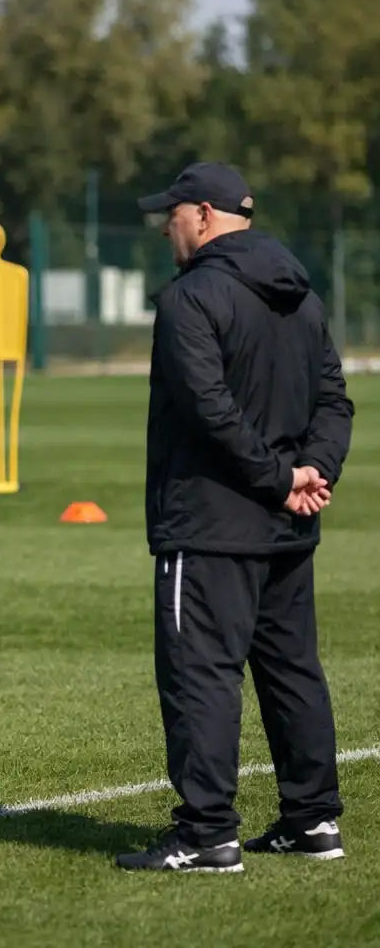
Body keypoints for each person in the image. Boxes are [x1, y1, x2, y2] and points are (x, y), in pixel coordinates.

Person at [116, 163, 354, 872]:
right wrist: (311, 473)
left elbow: (209, 408)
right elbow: (334, 400)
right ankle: (312, 821)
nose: (166, 228)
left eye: (172, 215)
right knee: (292, 671)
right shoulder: (301, 296)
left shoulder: (191, 297)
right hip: (287, 525)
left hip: (210, 521)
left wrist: (283, 479)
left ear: (203, 214)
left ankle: (206, 833)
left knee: (201, 674)